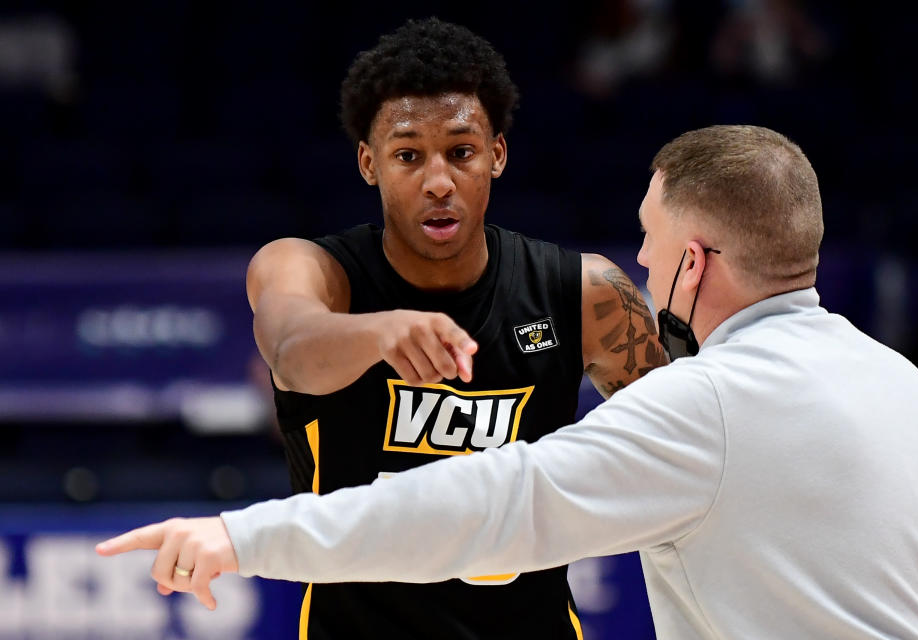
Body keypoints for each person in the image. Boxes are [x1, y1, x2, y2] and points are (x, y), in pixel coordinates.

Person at [98, 125, 918, 639]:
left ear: (693, 264)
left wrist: (243, 538)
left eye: (651, 239)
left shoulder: (708, 404)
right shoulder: (906, 387)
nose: (644, 260)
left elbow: (488, 505)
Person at [100, 17, 664, 640]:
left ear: (497, 155)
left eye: (461, 151)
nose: (439, 181)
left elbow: (676, 448)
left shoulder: (582, 292)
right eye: (407, 156)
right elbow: (291, 351)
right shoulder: (308, 268)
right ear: (369, 163)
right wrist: (379, 332)